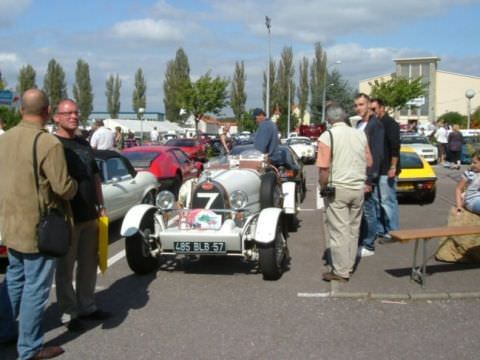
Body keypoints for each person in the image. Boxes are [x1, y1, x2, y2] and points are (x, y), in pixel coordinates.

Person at [0, 89, 77, 360]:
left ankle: (5, 332)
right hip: (38, 228)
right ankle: (30, 348)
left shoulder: (5, 139)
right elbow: (62, 186)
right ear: (47, 112)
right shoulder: (47, 143)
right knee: (36, 288)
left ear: (21, 110)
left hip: (10, 224)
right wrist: (75, 186)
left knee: (14, 280)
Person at [53, 99, 110, 332]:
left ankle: (87, 305)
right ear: (56, 117)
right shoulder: (53, 144)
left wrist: (101, 205)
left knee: (88, 264)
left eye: (76, 112)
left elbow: (94, 177)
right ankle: (69, 313)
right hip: (67, 217)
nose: (73, 116)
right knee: (65, 268)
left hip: (90, 215)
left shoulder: (83, 143)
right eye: (68, 113)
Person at [317, 104, 372, 282]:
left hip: (338, 188)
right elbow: (369, 161)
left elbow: (324, 168)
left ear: (329, 119)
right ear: (344, 116)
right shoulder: (360, 134)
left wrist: (323, 186)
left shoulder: (327, 136)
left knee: (338, 231)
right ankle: (348, 265)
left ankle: (340, 271)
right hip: (358, 187)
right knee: (353, 229)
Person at [355, 93, 384, 257]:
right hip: (358, 173)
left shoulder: (375, 125)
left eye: (361, 104)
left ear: (368, 105)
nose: (359, 108)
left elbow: (377, 153)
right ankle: (362, 240)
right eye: (357, 105)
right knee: (361, 211)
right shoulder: (359, 124)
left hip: (367, 175)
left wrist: (370, 179)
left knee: (369, 210)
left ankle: (369, 244)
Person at [370, 98, 400, 238]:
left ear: (382, 108)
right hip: (376, 170)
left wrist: (393, 167)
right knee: (377, 201)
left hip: (387, 169)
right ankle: (381, 229)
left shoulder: (390, 124)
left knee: (388, 201)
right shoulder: (375, 124)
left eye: (374, 109)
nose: (373, 112)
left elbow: (395, 147)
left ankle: (393, 231)